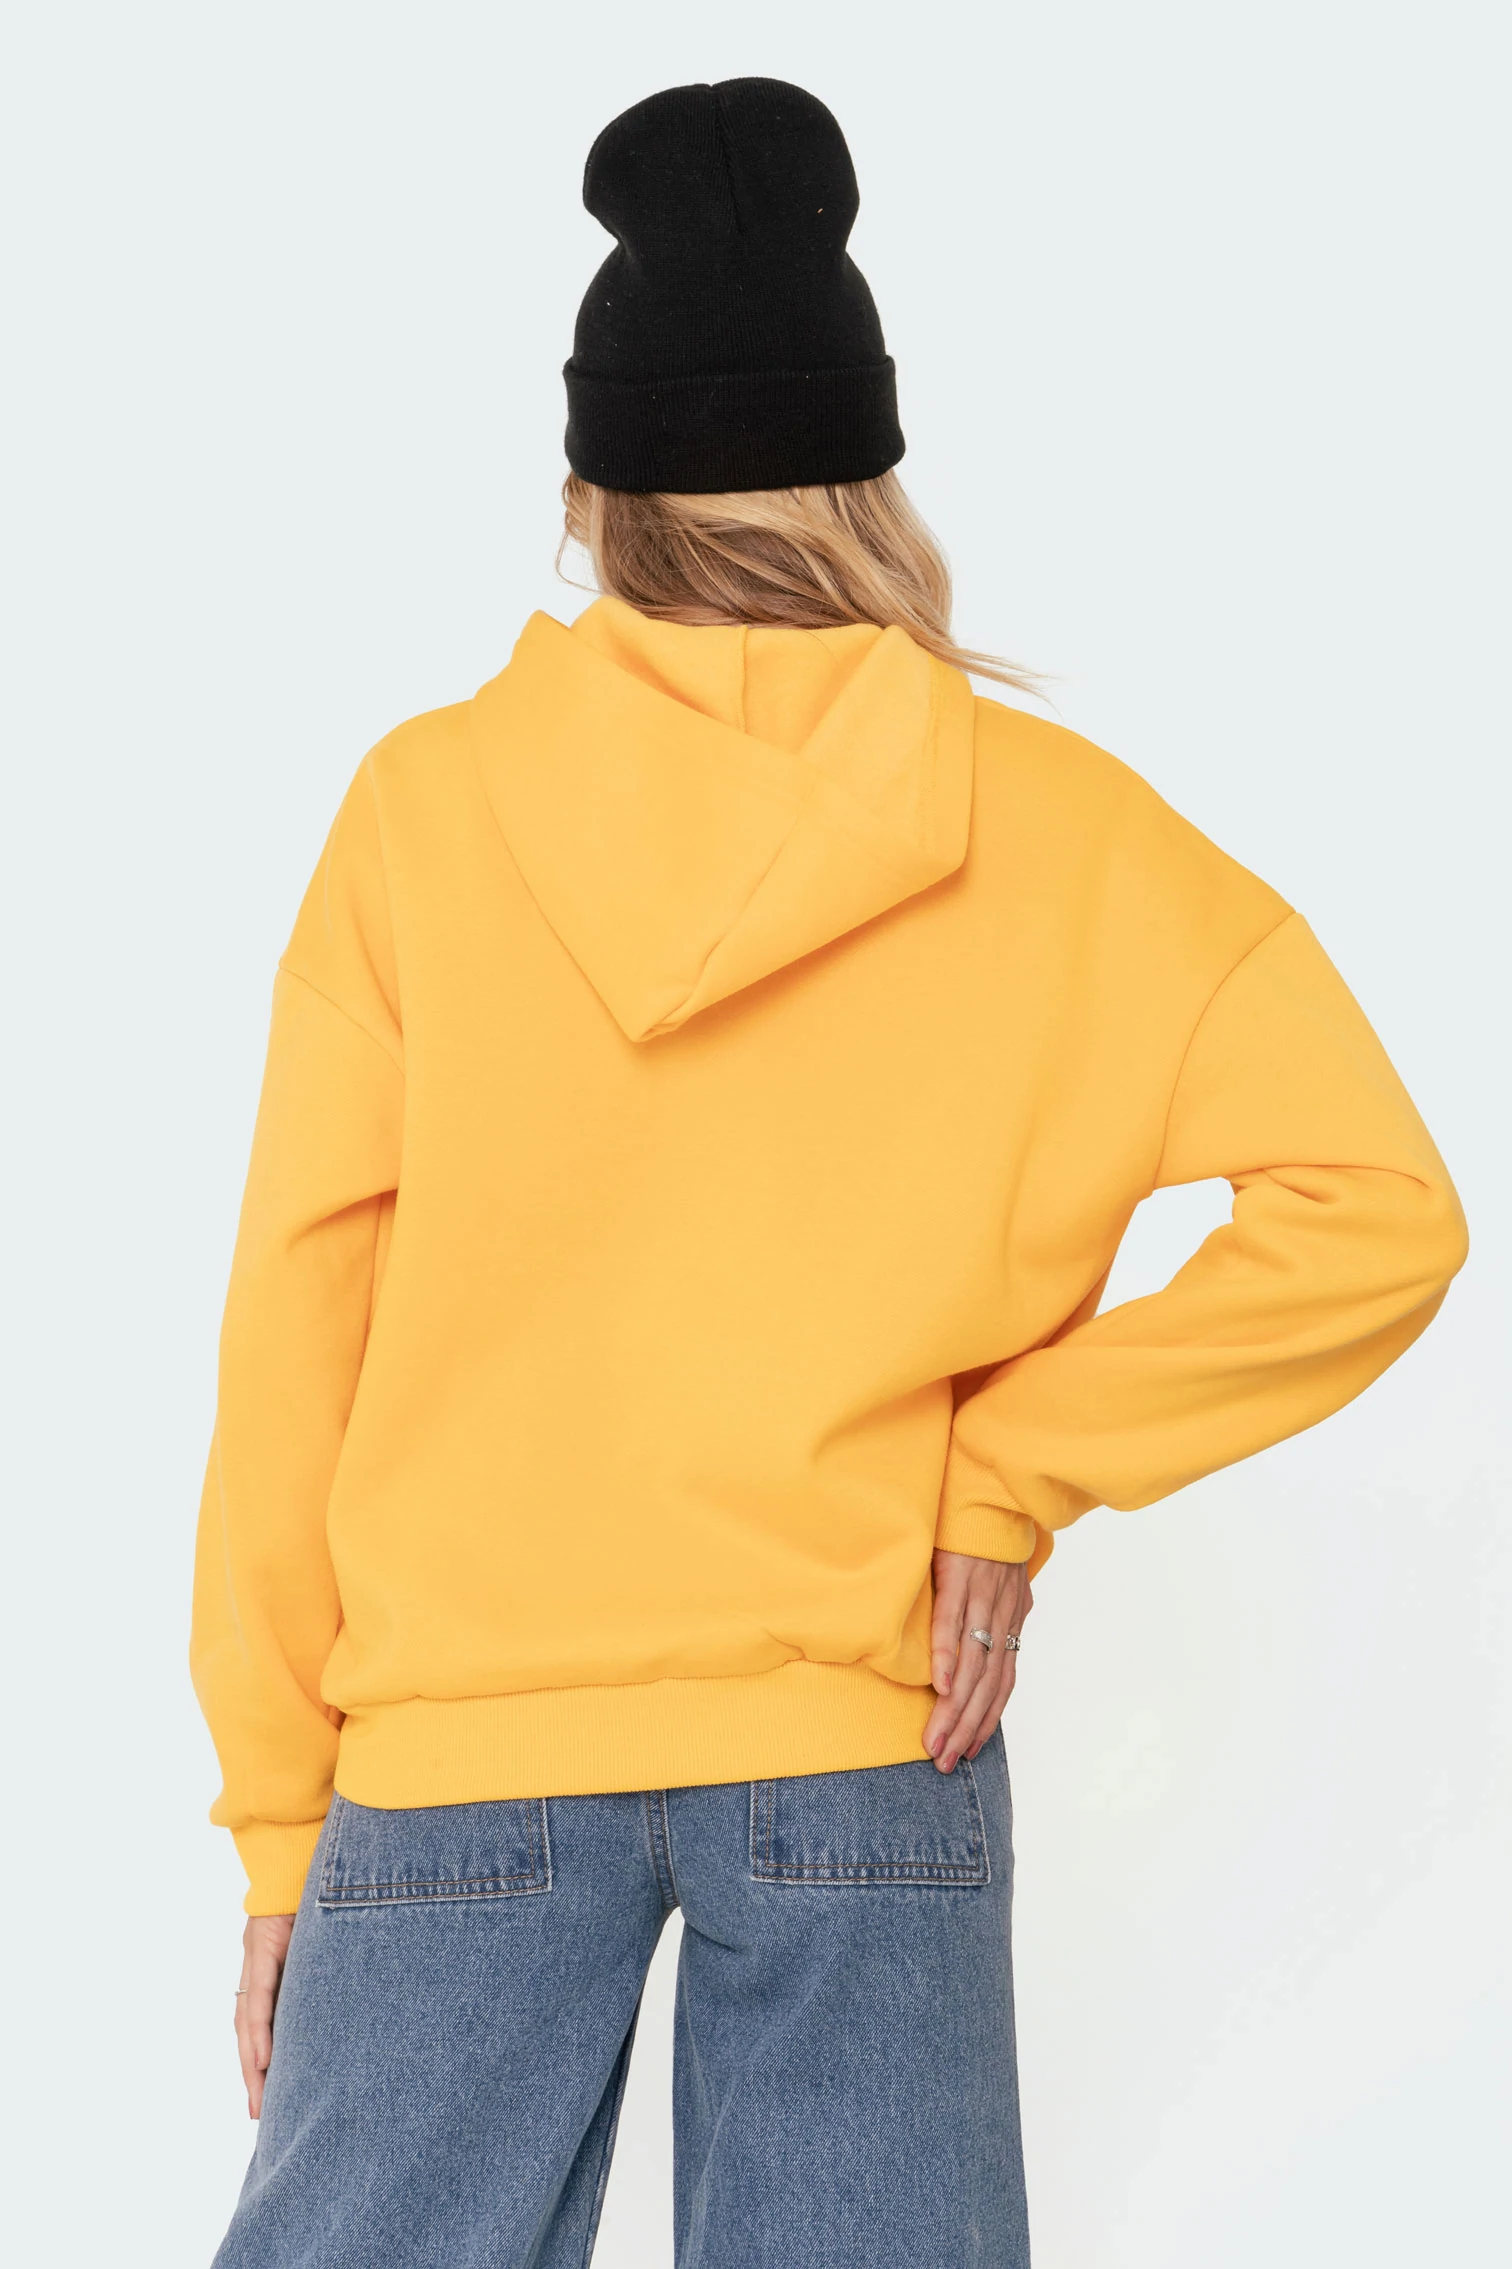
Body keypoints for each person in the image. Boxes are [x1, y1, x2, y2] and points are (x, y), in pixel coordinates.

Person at [192, 76, 1467, 2269]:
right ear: (868, 473)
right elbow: (1384, 1211)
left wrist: (279, 1822)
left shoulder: (424, 815)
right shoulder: (1058, 830)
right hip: (864, 1733)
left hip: (460, 1748)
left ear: (593, 492)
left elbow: (292, 1335)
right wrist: (1005, 1472)